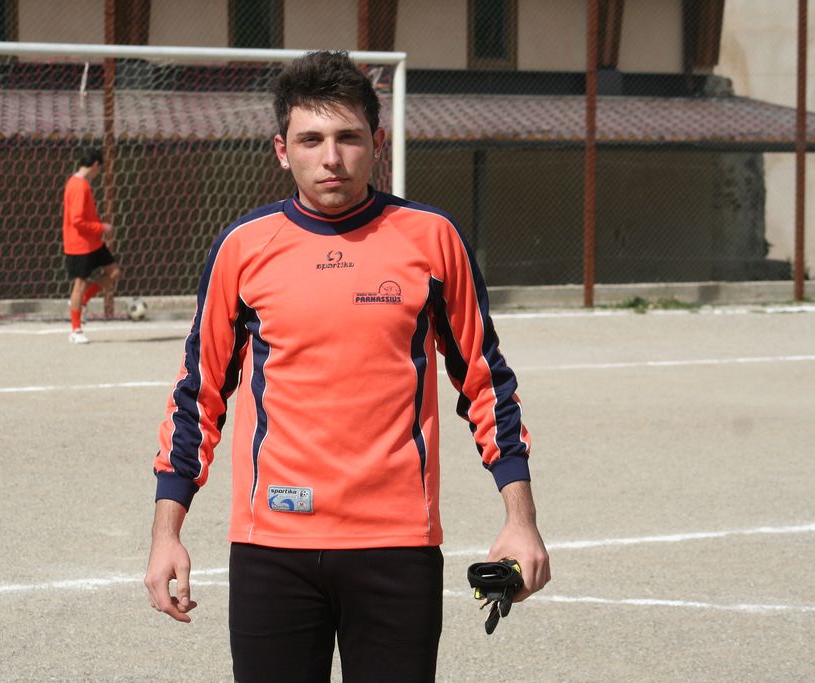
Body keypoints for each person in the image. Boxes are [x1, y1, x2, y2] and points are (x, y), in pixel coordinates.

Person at [144, 51, 550, 682]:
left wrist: (520, 520)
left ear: (376, 144)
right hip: (272, 545)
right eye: (311, 140)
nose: (330, 158)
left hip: (397, 546)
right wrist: (166, 532)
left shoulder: (432, 239)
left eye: (348, 138)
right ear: (283, 151)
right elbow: (198, 396)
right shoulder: (242, 248)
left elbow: (485, 383)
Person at [62, 147, 121, 344]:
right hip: (80, 243)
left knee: (114, 272)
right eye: (100, 169)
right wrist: (101, 227)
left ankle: (83, 301)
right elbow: (77, 220)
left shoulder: (79, 183)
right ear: (95, 165)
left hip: (93, 242)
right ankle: (75, 330)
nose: (98, 173)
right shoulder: (79, 186)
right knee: (79, 283)